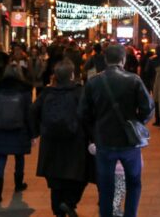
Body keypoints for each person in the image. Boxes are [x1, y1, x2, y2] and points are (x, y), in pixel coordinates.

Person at [79, 44, 154, 217]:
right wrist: (136, 122)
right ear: (123, 59)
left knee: (106, 187)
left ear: (105, 60)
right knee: (134, 183)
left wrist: (94, 131)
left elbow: (83, 112)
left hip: (104, 141)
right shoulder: (133, 79)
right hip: (129, 142)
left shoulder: (93, 82)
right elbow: (147, 108)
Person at [32, 59, 93, 217]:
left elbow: (33, 111)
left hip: (51, 142)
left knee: (55, 181)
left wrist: (36, 132)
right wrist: (92, 137)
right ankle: (69, 202)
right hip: (75, 141)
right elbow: (88, 115)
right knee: (80, 175)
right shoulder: (79, 92)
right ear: (72, 75)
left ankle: (58, 211)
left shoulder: (47, 93)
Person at [0, 63, 33, 203]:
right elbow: (28, 113)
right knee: (19, 158)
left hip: (0, 128)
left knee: (1, 159)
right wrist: (32, 132)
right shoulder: (25, 90)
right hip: (19, 129)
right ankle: (18, 184)